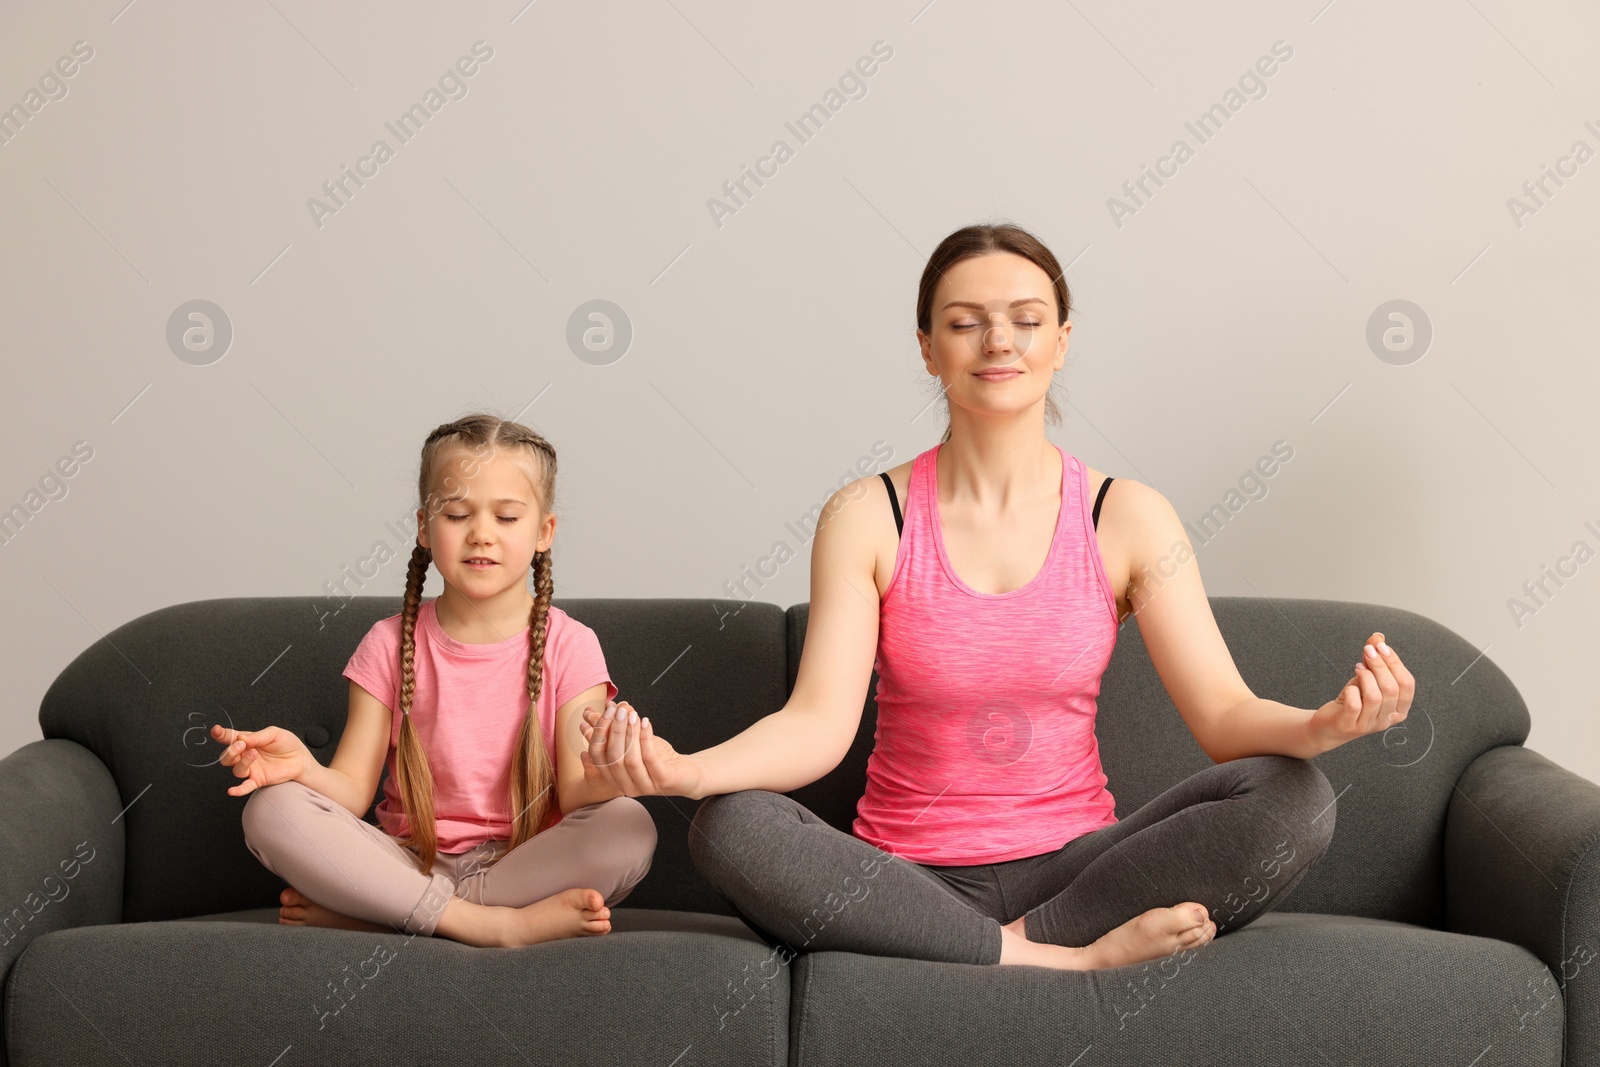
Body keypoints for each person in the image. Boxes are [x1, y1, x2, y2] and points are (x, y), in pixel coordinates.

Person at [578, 222, 1416, 971]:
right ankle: (1048, 959)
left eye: (1025, 318)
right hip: (904, 877)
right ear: (927, 346)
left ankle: (997, 949)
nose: (997, 341)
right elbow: (817, 726)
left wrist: (1323, 727)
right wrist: (686, 772)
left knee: (1293, 795)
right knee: (730, 826)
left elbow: (1225, 716)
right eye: (964, 322)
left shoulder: (1126, 516)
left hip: (1081, 866)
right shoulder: (869, 514)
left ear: (1061, 339)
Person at [211, 413, 657, 948]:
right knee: (271, 810)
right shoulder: (387, 643)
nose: (481, 534)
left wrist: (616, 771)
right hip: (407, 862)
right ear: (425, 526)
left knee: (629, 826)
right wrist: (304, 769)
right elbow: (350, 791)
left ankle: (387, 914)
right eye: (457, 513)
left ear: (544, 532)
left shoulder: (573, 645)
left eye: (508, 518)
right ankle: (481, 925)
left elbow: (579, 792)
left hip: (519, 870)